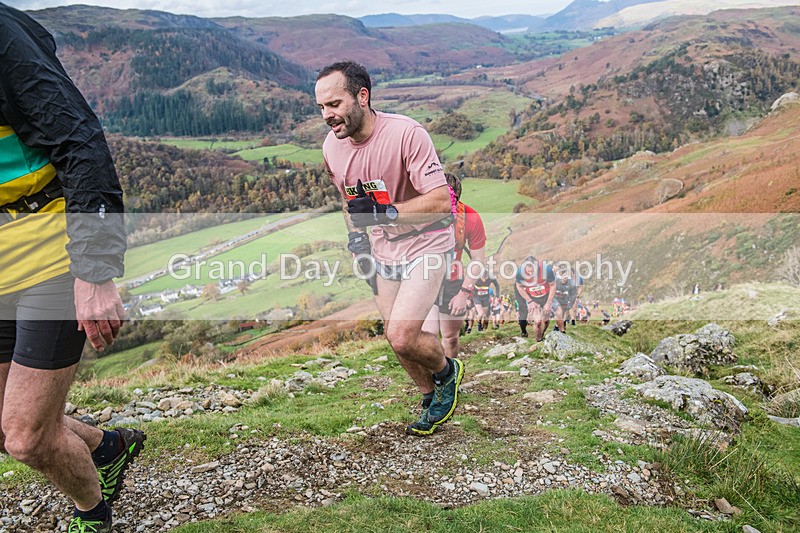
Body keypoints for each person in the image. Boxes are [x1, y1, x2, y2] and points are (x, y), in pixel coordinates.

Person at [0, 4, 145, 532]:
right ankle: (108, 447)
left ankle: (94, 514)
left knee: (25, 437)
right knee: (6, 426)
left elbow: (80, 141)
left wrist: (95, 269)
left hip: (50, 254)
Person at [316, 60, 464, 437]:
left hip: (427, 243)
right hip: (383, 251)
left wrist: (387, 212)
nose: (327, 115)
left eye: (334, 104)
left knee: (402, 334)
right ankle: (430, 395)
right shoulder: (332, 147)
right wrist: (357, 243)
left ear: (362, 96)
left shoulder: (406, 134)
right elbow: (349, 203)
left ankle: (448, 372)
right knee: (395, 340)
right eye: (321, 107)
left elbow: (440, 201)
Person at [422, 172, 487, 366]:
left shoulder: (470, 218)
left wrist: (464, 293)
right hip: (423, 280)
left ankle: (451, 376)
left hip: (453, 283)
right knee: (429, 334)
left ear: (456, 198)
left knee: (450, 338)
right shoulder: (419, 214)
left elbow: (478, 260)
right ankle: (434, 377)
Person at [514, 256, 556, 341]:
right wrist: (529, 301)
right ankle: (538, 340)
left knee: (545, 320)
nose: (530, 273)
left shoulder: (546, 270)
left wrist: (548, 303)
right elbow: (519, 286)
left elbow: (553, 285)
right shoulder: (520, 272)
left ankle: (541, 335)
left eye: (533, 271)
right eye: (528, 271)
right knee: (537, 321)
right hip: (533, 296)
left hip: (546, 295)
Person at [552, 264, 583, 333]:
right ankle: (557, 327)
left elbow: (574, 294)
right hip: (557, 299)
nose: (564, 279)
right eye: (563, 277)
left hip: (566, 299)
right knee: (559, 313)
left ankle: (562, 324)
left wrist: (571, 302)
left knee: (566, 311)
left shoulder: (572, 282)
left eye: (566, 277)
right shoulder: (556, 280)